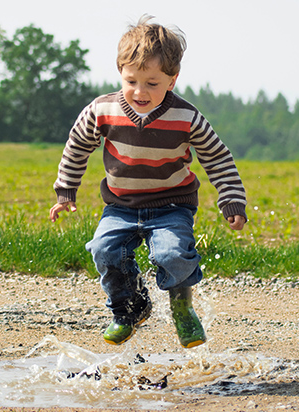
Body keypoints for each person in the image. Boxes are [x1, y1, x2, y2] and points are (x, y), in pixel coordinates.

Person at [49, 14, 247, 348]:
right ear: (121, 74)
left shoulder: (187, 118)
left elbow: (217, 157)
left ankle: (182, 306)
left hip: (172, 205)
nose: (140, 92)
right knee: (104, 250)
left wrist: (231, 199)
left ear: (172, 79)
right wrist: (66, 189)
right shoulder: (102, 110)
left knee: (172, 255)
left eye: (152, 83)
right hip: (120, 205)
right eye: (131, 81)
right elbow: (77, 145)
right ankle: (130, 308)